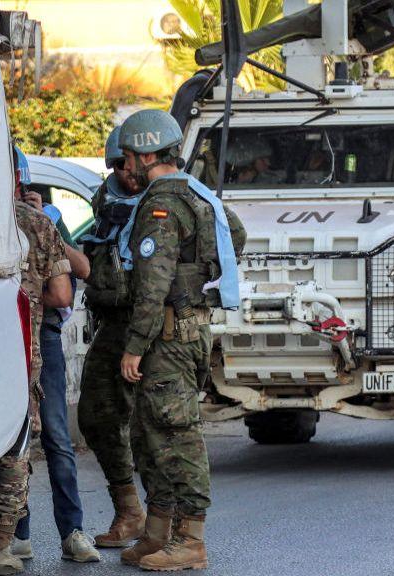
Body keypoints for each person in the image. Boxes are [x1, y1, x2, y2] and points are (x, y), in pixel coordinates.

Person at [115, 109, 246, 571]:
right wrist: (202, 276)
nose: (125, 165)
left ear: (148, 154)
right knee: (151, 433)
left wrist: (134, 345)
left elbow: (153, 283)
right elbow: (237, 234)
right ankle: (158, 533)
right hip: (185, 331)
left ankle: (190, 540)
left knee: (177, 436)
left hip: (166, 337)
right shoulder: (199, 195)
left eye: (129, 156)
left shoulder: (162, 206)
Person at [0, 148, 75, 576]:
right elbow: (62, 295)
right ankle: (3, 545)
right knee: (17, 446)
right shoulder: (37, 223)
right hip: (21, 350)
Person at [8, 148, 98, 564]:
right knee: (57, 437)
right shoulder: (35, 223)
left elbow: (82, 268)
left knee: (13, 438)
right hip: (40, 335)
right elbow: (63, 293)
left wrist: (53, 227)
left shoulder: (31, 223)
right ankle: (72, 533)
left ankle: (14, 534)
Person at [77, 125, 149, 549]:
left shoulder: (171, 197)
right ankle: (130, 511)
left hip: (153, 322)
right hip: (113, 322)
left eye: (131, 162)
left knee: (155, 426)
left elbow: (229, 236)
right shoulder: (107, 200)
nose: (125, 171)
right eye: (118, 164)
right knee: (96, 415)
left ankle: (169, 522)